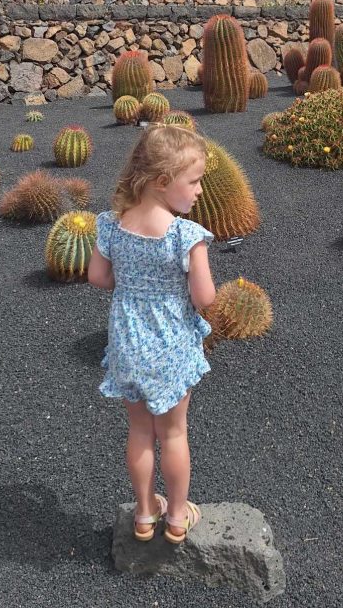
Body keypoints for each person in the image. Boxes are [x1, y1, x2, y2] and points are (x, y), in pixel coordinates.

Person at [88, 122, 216, 544]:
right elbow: (205, 297)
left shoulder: (111, 224)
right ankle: (177, 517)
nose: (199, 191)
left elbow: (98, 278)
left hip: (127, 342)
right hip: (170, 345)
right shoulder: (185, 236)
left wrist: (131, 288)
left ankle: (145, 513)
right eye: (194, 181)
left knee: (140, 431)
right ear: (163, 182)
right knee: (174, 432)